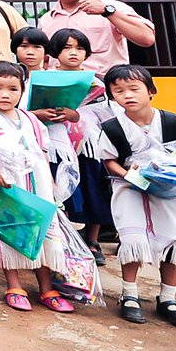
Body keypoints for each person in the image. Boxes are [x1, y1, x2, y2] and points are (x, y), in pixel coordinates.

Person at [96, 64, 176, 328]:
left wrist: (175, 174)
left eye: (134, 88)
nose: (127, 95)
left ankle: (169, 298)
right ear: (112, 95)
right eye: (118, 91)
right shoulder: (112, 127)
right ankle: (129, 294)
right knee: (133, 240)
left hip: (170, 191)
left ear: (151, 91)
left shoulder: (173, 122)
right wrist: (128, 174)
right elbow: (109, 161)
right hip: (129, 189)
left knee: (173, 241)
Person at [0, 62, 74, 313]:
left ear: (22, 90)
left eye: (12, 89)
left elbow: (43, 152)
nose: (5, 94)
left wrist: (50, 184)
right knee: (10, 233)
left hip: (38, 185)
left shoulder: (32, 120)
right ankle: (14, 285)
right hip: (7, 186)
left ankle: (47, 288)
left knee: (43, 233)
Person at [46, 28, 113, 265]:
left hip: (88, 145)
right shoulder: (46, 78)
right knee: (60, 192)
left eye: (79, 48)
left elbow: (104, 114)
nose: (73, 53)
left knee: (92, 190)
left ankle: (92, 240)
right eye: (66, 48)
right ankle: (62, 238)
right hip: (56, 145)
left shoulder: (97, 82)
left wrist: (75, 115)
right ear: (55, 52)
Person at [39, 0, 156, 76]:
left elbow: (147, 38)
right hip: (61, 87)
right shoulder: (46, 20)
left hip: (104, 84)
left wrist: (108, 12)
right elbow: (44, 59)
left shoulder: (112, 7)